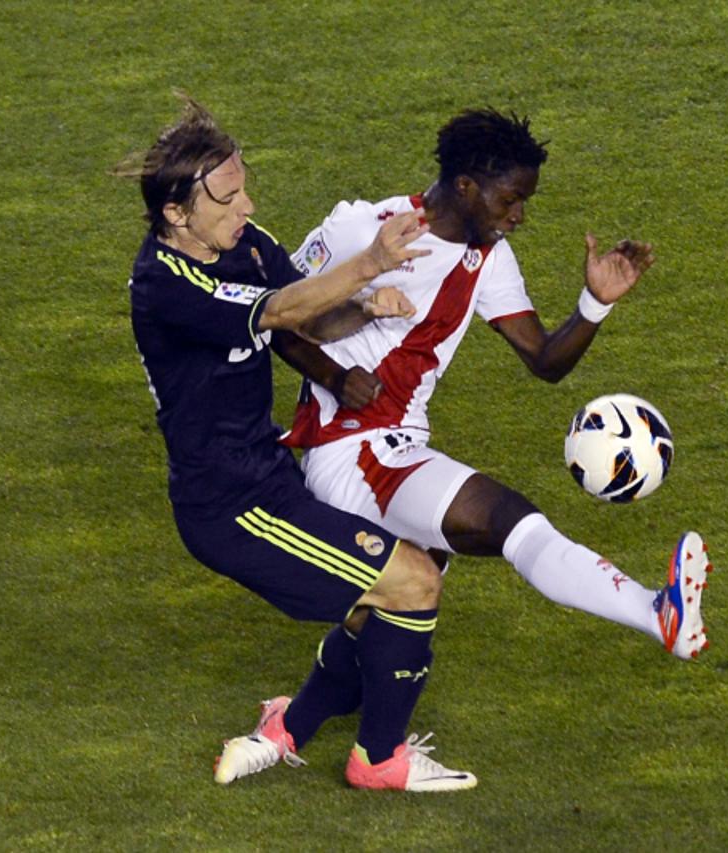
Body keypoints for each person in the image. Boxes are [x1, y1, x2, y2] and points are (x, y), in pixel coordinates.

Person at [119, 96, 476, 792]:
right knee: (412, 582)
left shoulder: (243, 243)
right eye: (227, 197)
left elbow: (301, 322)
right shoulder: (164, 286)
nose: (247, 205)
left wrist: (362, 306)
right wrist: (371, 261)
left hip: (268, 474)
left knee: (393, 583)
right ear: (175, 213)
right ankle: (379, 759)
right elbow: (279, 309)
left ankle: (287, 727)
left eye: (245, 185)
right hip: (228, 507)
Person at [275, 108, 712, 666]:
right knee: (509, 522)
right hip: (350, 450)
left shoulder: (488, 258)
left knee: (393, 612)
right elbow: (271, 319)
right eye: (510, 200)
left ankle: (293, 731)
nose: (520, 215)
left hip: (397, 444)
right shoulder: (364, 229)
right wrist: (334, 376)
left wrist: (595, 304)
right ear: (465, 187)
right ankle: (657, 613)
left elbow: (545, 360)